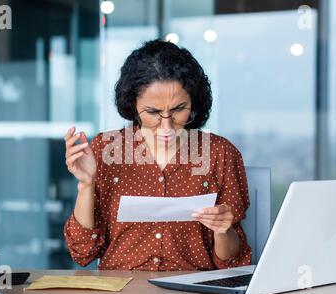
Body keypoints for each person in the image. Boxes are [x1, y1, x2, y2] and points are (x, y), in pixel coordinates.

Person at [63, 39, 251, 271]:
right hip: (122, 293)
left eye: (178, 110)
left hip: (192, 292)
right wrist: (86, 184)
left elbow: (232, 262)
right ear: (133, 105)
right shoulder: (105, 148)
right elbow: (82, 252)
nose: (166, 127)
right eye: (152, 112)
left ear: (194, 102)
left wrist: (224, 230)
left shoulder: (220, 154)